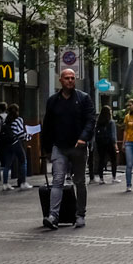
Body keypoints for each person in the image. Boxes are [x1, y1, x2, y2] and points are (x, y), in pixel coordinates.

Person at [41, 68, 94, 230]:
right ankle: (53, 216)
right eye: (67, 78)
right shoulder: (53, 101)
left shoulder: (83, 98)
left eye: (72, 78)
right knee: (57, 181)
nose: (70, 80)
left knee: (79, 181)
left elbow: (90, 120)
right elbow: (47, 125)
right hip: (60, 147)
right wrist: (46, 149)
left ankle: (80, 214)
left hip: (78, 147)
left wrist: (83, 138)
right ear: (60, 80)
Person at [0, 103, 28, 191]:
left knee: (7, 164)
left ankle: (5, 184)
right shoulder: (18, 120)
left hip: (7, 144)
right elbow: (20, 133)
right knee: (23, 161)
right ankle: (23, 182)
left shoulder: (6, 120)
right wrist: (28, 136)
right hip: (15, 142)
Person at [91, 106, 118, 183]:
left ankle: (101, 178)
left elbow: (95, 133)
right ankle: (114, 177)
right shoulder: (111, 122)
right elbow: (113, 135)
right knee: (113, 160)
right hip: (109, 143)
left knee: (101, 160)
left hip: (100, 143)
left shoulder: (99, 122)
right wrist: (115, 144)